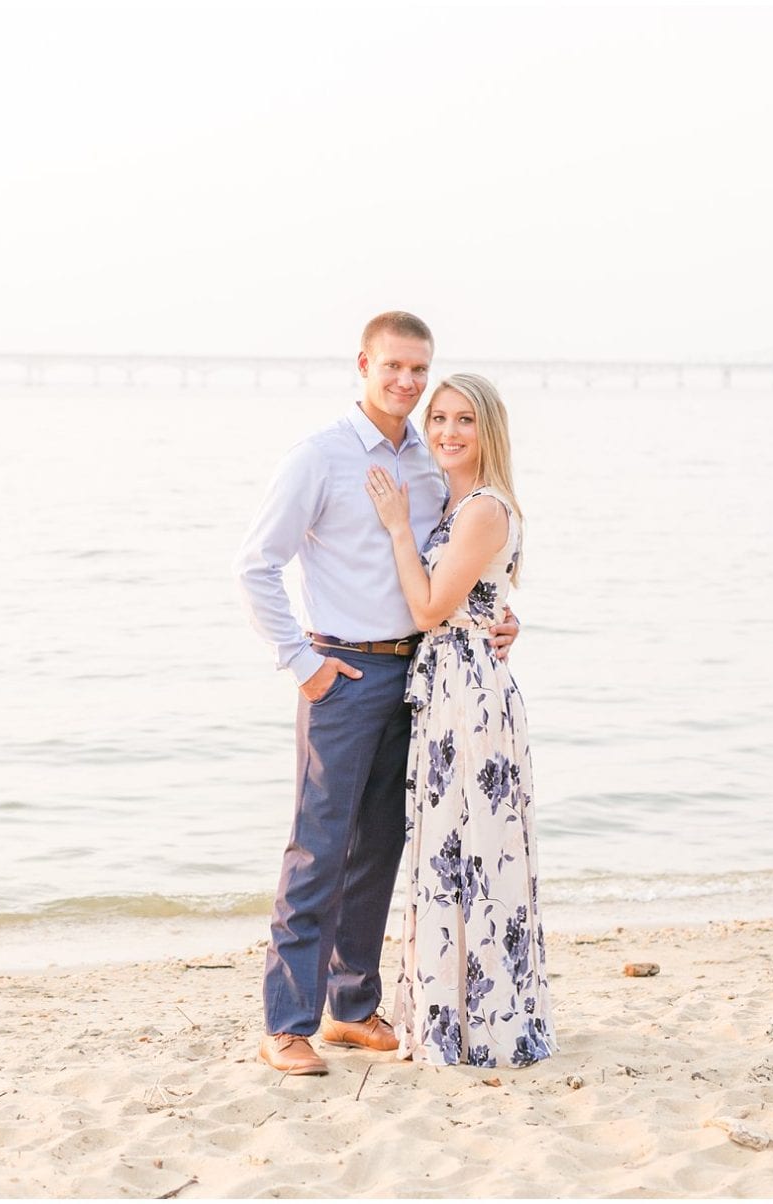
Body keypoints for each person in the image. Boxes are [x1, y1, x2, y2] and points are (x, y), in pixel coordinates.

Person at [236, 314, 519, 1076]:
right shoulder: (319, 457)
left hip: (423, 679)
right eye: (393, 366)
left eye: (418, 370)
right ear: (363, 363)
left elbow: (453, 564)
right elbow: (255, 565)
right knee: (318, 847)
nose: (406, 382)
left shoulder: (429, 462)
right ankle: (286, 1022)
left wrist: (500, 618)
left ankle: (351, 1007)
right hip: (344, 675)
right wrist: (302, 662)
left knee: (382, 849)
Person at [365, 372, 556, 1068]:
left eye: (463, 421)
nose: (446, 431)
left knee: (473, 850)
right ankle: (458, 1018)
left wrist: (393, 529)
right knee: (454, 849)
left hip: (468, 695)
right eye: (438, 418)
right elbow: (479, 600)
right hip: (450, 683)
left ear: (489, 431)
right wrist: (499, 620)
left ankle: (483, 1026)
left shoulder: (481, 508)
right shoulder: (457, 506)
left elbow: (427, 609)